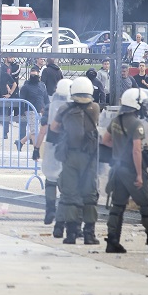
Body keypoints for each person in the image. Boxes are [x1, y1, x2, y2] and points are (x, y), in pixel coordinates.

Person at [101, 88, 148, 254]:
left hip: (117, 170)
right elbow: (137, 151)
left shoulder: (116, 120)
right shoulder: (136, 124)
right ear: (136, 104)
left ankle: (112, 242)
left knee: (117, 206)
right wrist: (139, 174)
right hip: (132, 170)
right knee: (146, 205)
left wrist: (118, 148)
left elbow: (105, 140)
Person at [50, 76, 101, 245]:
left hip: (70, 156)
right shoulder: (95, 108)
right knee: (90, 195)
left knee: (70, 194)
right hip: (89, 157)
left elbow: (54, 127)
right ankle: (89, 234)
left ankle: (71, 234)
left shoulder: (64, 108)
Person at [33, 79, 72, 236]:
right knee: (66, 184)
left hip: (51, 147)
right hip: (67, 149)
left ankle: (50, 211)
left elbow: (43, 130)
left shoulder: (50, 108)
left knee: (50, 180)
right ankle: (63, 217)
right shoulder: (73, 108)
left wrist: (36, 148)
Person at [18, 66, 49, 150]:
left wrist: (47, 108)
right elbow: (22, 100)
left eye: (36, 75)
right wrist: (22, 111)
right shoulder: (26, 86)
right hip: (30, 110)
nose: (34, 77)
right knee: (34, 131)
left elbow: (45, 97)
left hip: (41, 110)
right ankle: (36, 149)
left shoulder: (42, 85)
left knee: (35, 130)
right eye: (32, 75)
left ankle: (20, 142)